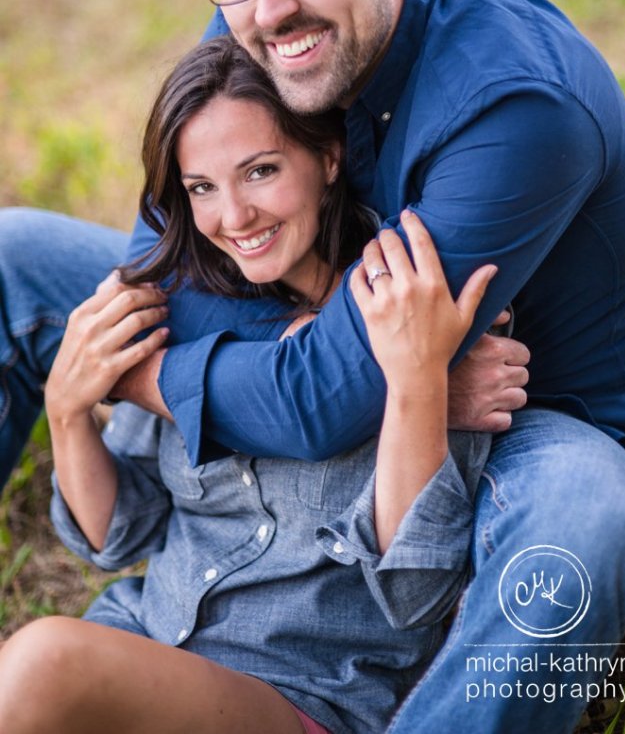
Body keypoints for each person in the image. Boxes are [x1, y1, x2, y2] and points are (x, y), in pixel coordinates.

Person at [0, 0, 625, 732]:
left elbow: (330, 396)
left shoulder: (519, 105)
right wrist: (96, 384)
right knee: (12, 259)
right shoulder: (260, 37)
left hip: (531, 404)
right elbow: (162, 272)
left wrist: (129, 372)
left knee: (586, 518)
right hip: (371, 342)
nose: (270, 6)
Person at [0, 37, 496, 734]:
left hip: (300, 695)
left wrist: (415, 383)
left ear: (327, 157)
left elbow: (414, 592)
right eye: (202, 187)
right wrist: (67, 410)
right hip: (146, 641)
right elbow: (119, 537)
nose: (233, 218)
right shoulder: (194, 309)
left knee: (44, 661)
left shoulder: (404, 312)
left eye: (260, 171)